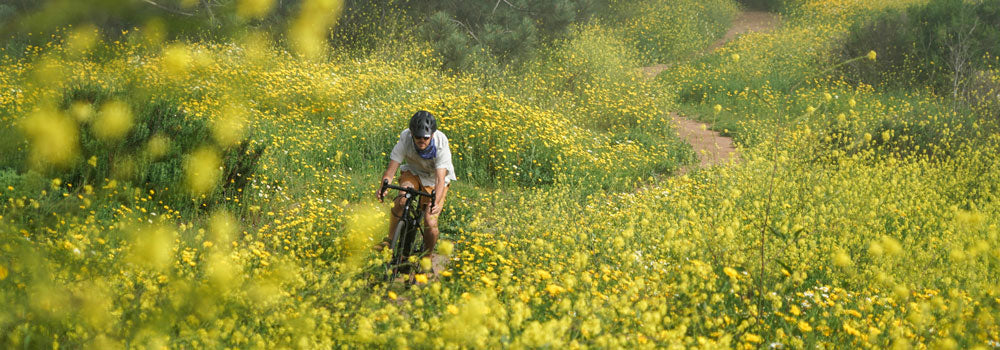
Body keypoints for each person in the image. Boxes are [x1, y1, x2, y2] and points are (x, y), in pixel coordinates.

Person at [375, 110, 456, 257]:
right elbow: (391, 169)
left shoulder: (441, 143)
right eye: (417, 136)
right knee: (401, 200)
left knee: (430, 221)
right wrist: (383, 187)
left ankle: (427, 257)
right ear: (411, 133)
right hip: (413, 172)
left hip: (434, 179)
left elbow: (440, 179)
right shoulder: (405, 138)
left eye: (425, 137)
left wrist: (435, 201)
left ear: (432, 134)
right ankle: (389, 240)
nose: (422, 140)